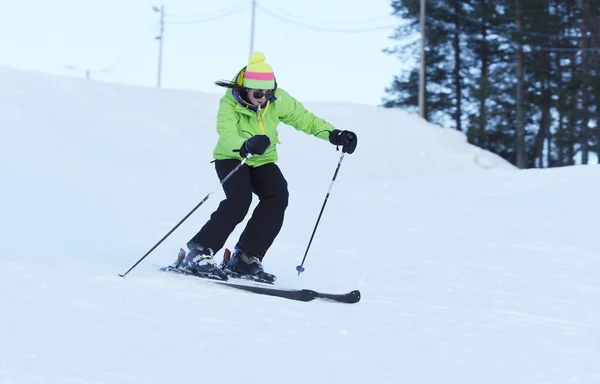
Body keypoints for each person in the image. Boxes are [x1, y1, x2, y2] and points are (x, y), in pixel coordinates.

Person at [178, 51, 358, 282]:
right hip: (233, 157)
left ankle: (245, 257)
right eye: (258, 93)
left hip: (263, 159)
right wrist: (245, 145)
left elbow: (304, 119)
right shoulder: (229, 103)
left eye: (268, 93)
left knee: (277, 196)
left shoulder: (278, 100)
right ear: (244, 88)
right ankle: (200, 252)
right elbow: (226, 133)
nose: (263, 98)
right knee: (239, 201)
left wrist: (334, 134)